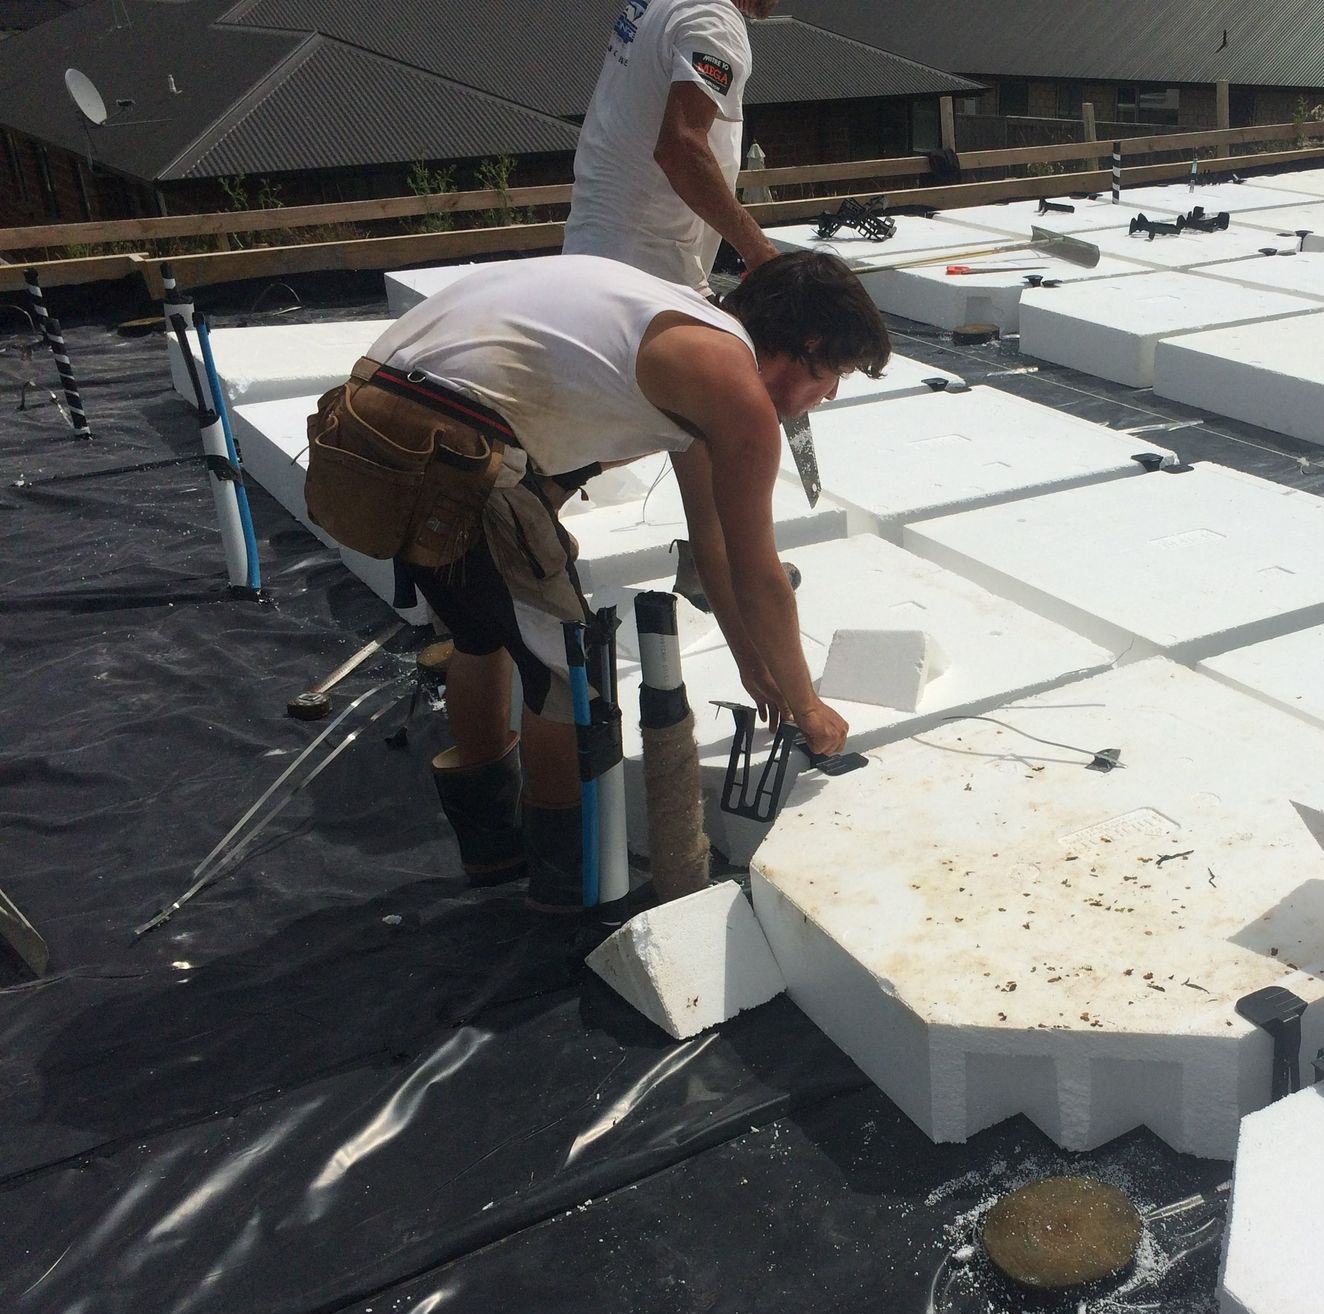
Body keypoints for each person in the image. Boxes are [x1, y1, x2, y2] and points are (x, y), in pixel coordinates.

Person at [304, 250, 889, 908]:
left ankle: (494, 849)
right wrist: (806, 705)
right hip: (450, 448)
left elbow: (714, 541)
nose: (832, 393)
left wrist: (757, 664)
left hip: (370, 425)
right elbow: (758, 571)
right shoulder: (734, 388)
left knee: (481, 635)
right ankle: (566, 889)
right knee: (563, 674)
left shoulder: (688, 332)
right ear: (805, 348)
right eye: (834, 373)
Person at [564, 0, 781, 290]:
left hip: (592, 251)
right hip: (648, 270)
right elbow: (681, 148)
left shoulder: (661, 4)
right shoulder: (713, 19)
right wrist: (762, 255)